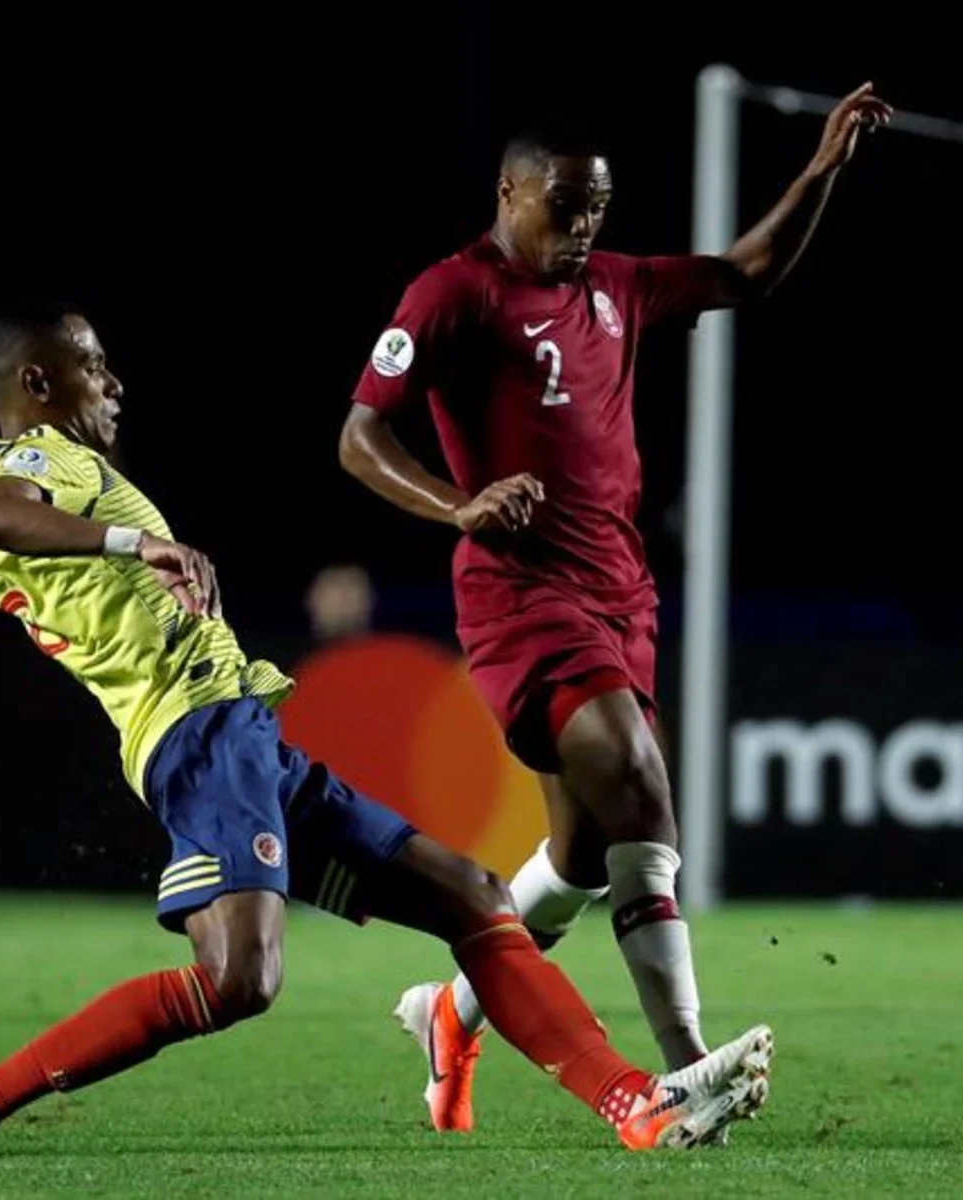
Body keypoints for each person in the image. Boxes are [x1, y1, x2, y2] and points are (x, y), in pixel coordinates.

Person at [0, 311, 774, 1160]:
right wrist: (138, 540)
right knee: (241, 980)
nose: (113, 383)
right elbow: (4, 514)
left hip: (240, 739)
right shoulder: (45, 465)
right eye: (92, 365)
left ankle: (636, 1103)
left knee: (473, 893)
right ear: (37, 386)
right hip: (198, 737)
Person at [339, 85, 891, 1133]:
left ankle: (453, 1014)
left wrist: (819, 172)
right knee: (639, 775)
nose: (583, 226)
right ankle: (686, 1064)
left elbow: (744, 274)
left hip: (619, 595)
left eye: (596, 207)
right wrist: (459, 507)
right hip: (520, 598)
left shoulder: (615, 288)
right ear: (509, 192)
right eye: (564, 205)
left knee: (586, 859)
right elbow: (358, 437)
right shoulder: (452, 294)